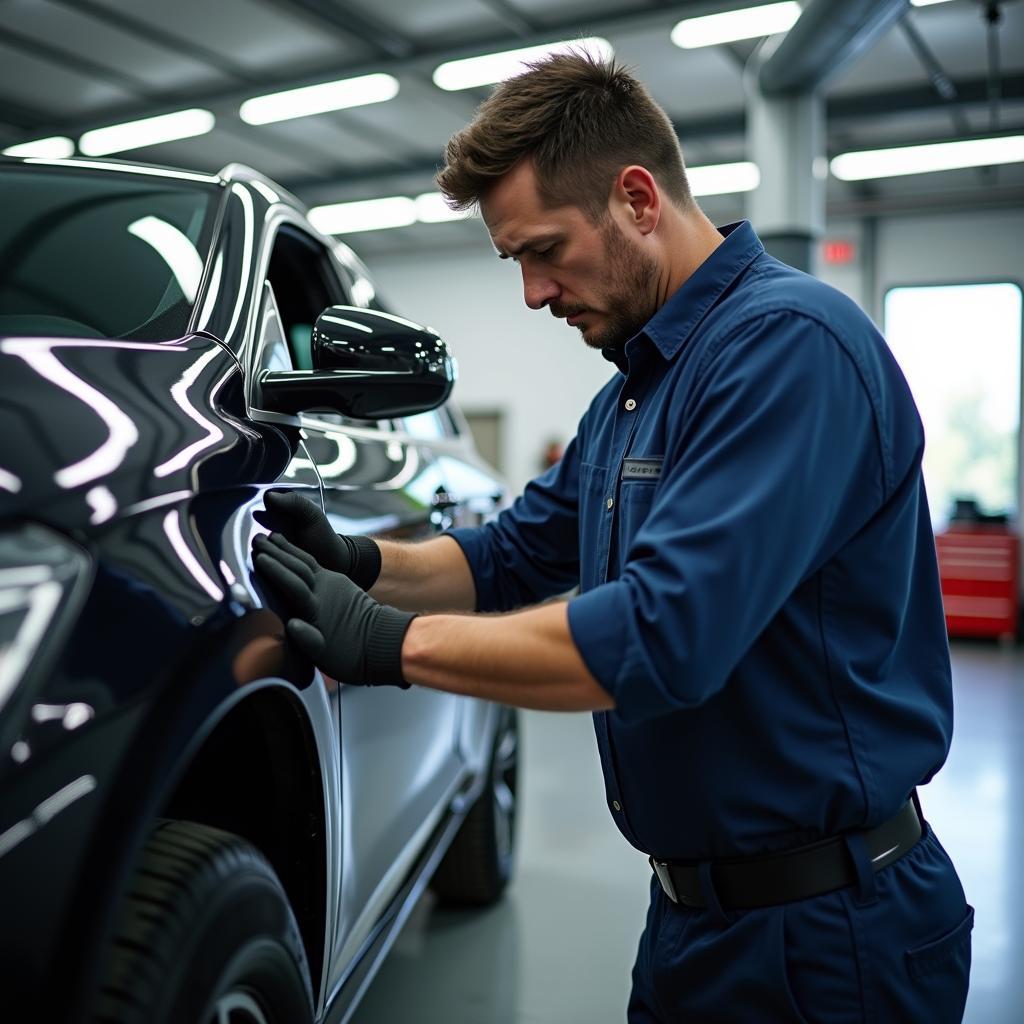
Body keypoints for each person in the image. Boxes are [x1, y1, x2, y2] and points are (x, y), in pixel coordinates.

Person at [253, 53, 972, 1023]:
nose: (534, 294)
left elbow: (662, 637)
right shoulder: (631, 393)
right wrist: (365, 563)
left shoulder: (791, 349)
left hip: (828, 937)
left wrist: (388, 645)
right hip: (690, 921)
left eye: (544, 250)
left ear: (636, 198)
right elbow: (507, 555)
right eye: (516, 263)